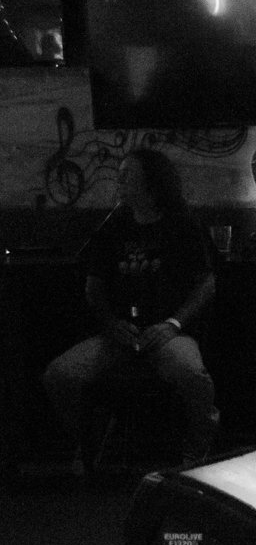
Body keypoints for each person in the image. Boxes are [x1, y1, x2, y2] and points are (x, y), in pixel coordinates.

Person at [42, 148, 218, 470]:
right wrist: (111, 324)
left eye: (127, 175)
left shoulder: (184, 225)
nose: (119, 181)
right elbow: (93, 287)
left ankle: (198, 447)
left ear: (151, 182)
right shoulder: (113, 226)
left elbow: (206, 284)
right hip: (120, 334)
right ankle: (89, 440)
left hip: (167, 332)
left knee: (192, 375)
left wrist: (173, 324)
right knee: (60, 375)